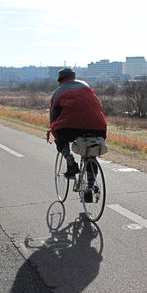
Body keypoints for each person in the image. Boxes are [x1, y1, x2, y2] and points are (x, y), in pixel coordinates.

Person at [47, 68, 107, 201]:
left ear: (60, 80)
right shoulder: (87, 87)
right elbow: (98, 107)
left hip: (70, 126)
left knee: (60, 138)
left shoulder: (58, 91)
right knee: (91, 153)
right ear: (74, 77)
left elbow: (53, 116)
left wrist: (53, 129)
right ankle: (90, 188)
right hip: (98, 125)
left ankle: (70, 162)